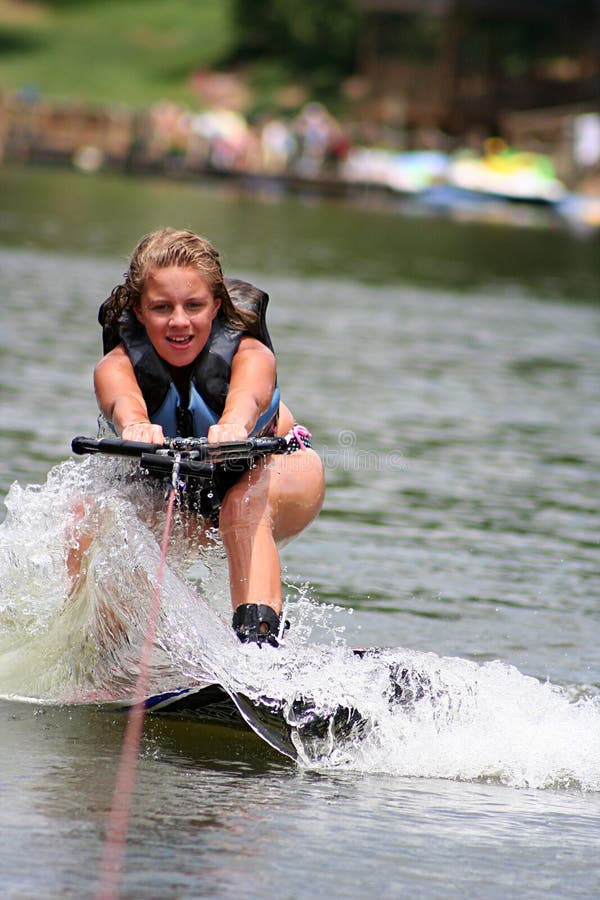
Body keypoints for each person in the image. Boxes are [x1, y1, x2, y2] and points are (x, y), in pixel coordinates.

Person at [90, 227, 325, 647]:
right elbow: (122, 400)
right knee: (93, 519)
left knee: (243, 507)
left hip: (280, 473)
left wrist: (233, 423)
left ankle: (258, 650)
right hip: (187, 496)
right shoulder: (117, 364)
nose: (179, 321)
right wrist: (135, 425)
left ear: (216, 306)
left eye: (194, 305)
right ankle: (107, 653)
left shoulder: (251, 354)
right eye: (162, 307)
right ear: (140, 312)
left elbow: (249, 396)